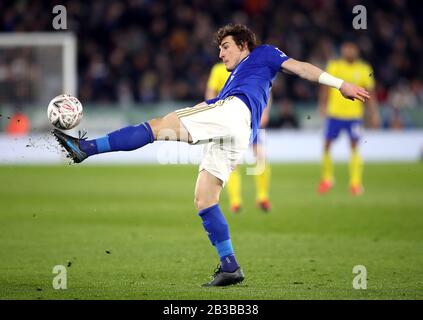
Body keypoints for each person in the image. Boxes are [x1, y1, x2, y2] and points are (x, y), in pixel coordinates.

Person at [53, 24, 370, 287]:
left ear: (244, 45)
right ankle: (230, 266)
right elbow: (210, 104)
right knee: (205, 199)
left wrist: (339, 83)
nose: (221, 54)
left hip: (233, 114)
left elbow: (301, 68)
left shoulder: (264, 54)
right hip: (237, 128)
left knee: (151, 129)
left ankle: (86, 148)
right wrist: (178, 117)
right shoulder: (234, 78)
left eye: (226, 47)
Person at [205, 62, 272, 213]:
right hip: (228, 122)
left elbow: (266, 90)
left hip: (249, 119)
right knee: (234, 161)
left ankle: (263, 197)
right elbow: (210, 92)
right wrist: (213, 111)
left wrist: (265, 112)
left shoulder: (251, 66)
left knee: (260, 156)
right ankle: (236, 201)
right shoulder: (218, 69)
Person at [317, 41, 379, 196]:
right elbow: (325, 87)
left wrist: (373, 113)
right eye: (346, 47)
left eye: (351, 48)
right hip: (334, 114)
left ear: (356, 50)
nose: (348, 51)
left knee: (354, 146)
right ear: (342, 49)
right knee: (326, 145)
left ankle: (355, 183)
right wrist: (323, 105)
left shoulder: (364, 69)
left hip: (354, 116)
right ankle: (327, 179)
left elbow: (370, 92)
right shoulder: (334, 65)